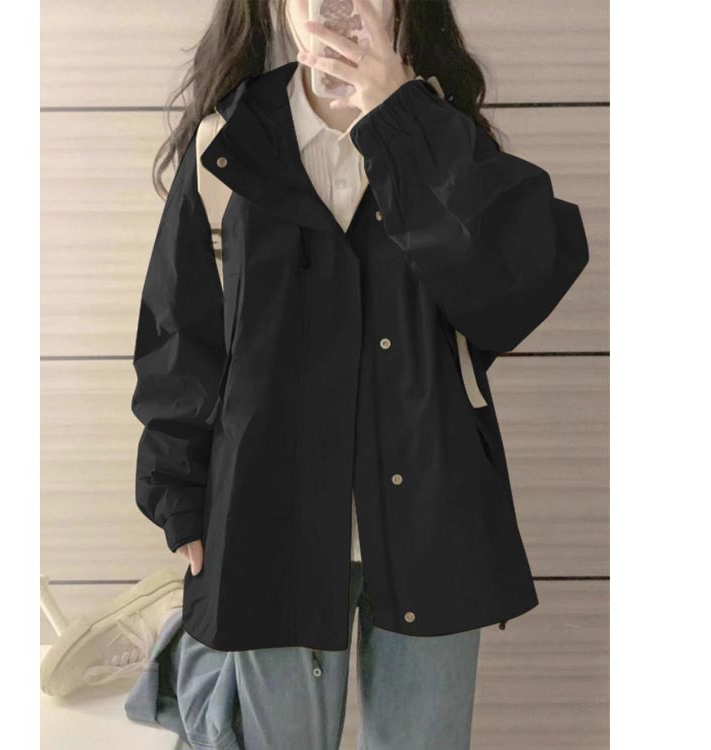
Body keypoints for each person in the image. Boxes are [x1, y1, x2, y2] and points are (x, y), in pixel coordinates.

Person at [125, 1, 590, 748]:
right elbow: (181, 333)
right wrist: (178, 493)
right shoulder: (228, 145)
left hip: (433, 514)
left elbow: (522, 284)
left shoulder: (443, 139)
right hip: (264, 518)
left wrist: (402, 118)